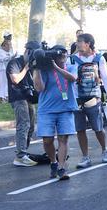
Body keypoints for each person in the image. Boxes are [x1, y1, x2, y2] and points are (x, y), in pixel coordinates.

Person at [32, 45, 78, 181]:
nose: (63, 57)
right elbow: (40, 88)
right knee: (47, 140)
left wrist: (57, 68)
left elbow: (73, 78)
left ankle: (62, 168)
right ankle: (53, 162)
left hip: (65, 108)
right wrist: (36, 68)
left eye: (65, 54)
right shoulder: (45, 70)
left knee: (63, 138)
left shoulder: (70, 67)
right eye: (60, 55)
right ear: (54, 57)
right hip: (47, 110)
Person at [70, 33, 107, 167]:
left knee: (97, 127)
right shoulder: (71, 59)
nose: (77, 43)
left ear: (88, 43)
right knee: (80, 129)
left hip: (93, 96)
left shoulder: (99, 58)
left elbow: (105, 77)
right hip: (77, 98)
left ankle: (105, 150)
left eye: (79, 41)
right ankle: (85, 157)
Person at [7, 40, 40, 166]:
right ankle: (20, 156)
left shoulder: (33, 65)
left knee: (31, 126)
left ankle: (23, 151)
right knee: (23, 124)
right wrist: (26, 67)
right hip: (18, 97)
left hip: (28, 97)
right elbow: (15, 79)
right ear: (27, 51)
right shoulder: (14, 62)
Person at [0, 33, 15, 101]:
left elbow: (11, 57)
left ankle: (6, 96)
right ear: (4, 46)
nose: (10, 47)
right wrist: (11, 57)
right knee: (2, 83)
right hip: (1, 69)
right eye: (8, 45)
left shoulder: (10, 51)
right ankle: (1, 97)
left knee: (7, 83)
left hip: (7, 69)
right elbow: (3, 59)